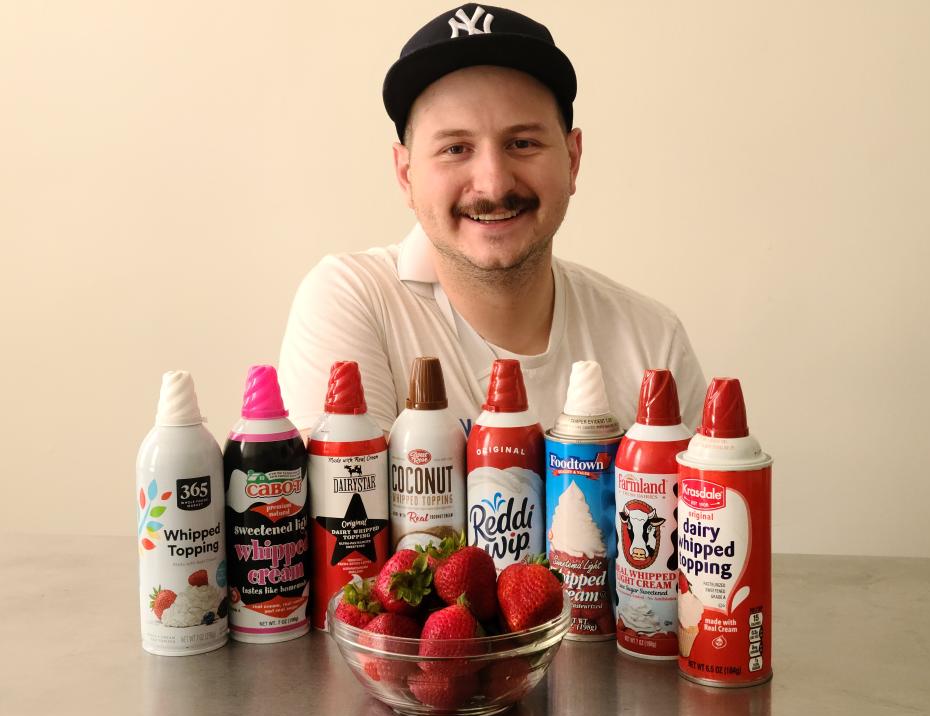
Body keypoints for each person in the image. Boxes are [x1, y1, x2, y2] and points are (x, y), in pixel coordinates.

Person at [279, 4, 706, 438]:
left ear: (573, 160)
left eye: (522, 142)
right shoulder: (356, 299)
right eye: (455, 149)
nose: (494, 183)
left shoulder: (653, 341)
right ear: (406, 175)